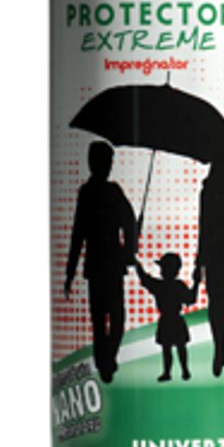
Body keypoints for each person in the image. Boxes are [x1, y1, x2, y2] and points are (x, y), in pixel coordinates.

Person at [65, 141, 137, 382]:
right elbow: (79, 233)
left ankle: (106, 359)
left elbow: (128, 223)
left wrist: (129, 249)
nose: (109, 166)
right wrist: (129, 251)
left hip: (102, 266)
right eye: (106, 161)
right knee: (108, 318)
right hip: (105, 266)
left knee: (110, 319)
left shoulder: (102, 192)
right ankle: (105, 361)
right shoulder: (96, 193)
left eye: (110, 162)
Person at [196, 161, 224, 376]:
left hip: (214, 254)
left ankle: (219, 346)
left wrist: (200, 261)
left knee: (216, 301)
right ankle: (220, 346)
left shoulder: (208, 193)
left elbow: (203, 229)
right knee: (221, 301)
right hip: (220, 254)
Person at [133, 254, 199, 381]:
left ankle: (175, 371)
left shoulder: (160, 286)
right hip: (175, 320)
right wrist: (196, 283)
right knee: (177, 348)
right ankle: (181, 371)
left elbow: (145, 279)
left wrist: (137, 265)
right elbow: (191, 298)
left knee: (169, 348)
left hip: (168, 320)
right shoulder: (177, 285)